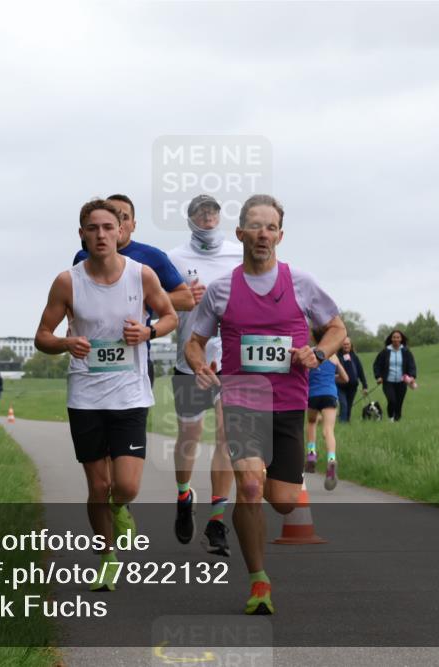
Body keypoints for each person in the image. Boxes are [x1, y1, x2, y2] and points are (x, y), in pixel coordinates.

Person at [186, 194, 345, 615]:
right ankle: (259, 581)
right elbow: (194, 342)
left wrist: (319, 353)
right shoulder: (221, 289)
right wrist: (200, 366)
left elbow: (335, 327)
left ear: (280, 235)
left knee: (284, 500)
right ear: (240, 234)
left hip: (290, 403)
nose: (263, 234)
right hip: (241, 400)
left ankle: (255, 512)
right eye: (255, 226)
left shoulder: (301, 283)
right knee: (251, 487)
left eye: (270, 227)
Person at [36, 198, 177, 591]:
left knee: (126, 487)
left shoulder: (142, 275)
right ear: (82, 234)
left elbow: (170, 316)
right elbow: (42, 337)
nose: (101, 235)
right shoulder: (68, 281)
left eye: (108, 227)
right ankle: (107, 558)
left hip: (130, 393)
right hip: (85, 396)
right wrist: (67, 343)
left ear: (121, 232)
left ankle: (121, 509)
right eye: (92, 228)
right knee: (97, 486)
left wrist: (148, 332)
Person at [166, 194, 243, 556]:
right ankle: (184, 495)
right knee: (190, 436)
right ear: (191, 219)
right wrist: (181, 299)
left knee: (227, 434)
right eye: (201, 212)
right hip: (189, 359)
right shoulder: (175, 258)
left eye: (213, 211)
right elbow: (159, 304)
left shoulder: (236, 254)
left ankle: (216, 520)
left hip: (229, 360)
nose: (208, 218)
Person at [73, 194, 193, 385]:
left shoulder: (152, 257)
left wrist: (144, 298)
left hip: (135, 359)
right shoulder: (82, 257)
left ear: (131, 225)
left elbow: (186, 299)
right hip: (91, 360)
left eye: (124, 217)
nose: (118, 222)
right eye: (113, 216)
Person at [305, 331, 349, 490]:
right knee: (328, 429)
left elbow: (304, 377)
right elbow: (346, 379)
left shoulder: (309, 353)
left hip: (313, 395)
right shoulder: (334, 356)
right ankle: (331, 459)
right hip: (330, 394)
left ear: (313, 338)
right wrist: (332, 378)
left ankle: (311, 453)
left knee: (311, 422)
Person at [373, 330, 417, 422]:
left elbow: (411, 365)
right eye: (394, 337)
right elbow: (377, 365)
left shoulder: (406, 351)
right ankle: (391, 418)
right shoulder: (385, 351)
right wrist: (378, 377)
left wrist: (412, 376)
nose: (396, 339)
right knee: (392, 400)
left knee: (399, 403)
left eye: (398, 337)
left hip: (402, 382)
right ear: (391, 339)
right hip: (388, 381)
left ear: (401, 339)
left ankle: (397, 420)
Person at [335, 337, 368, 423]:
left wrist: (365, 386)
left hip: (352, 387)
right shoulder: (336, 357)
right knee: (344, 405)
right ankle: (342, 423)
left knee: (349, 406)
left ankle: (347, 423)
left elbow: (360, 372)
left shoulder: (354, 357)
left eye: (347, 344)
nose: (346, 346)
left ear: (351, 345)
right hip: (340, 386)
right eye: (344, 344)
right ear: (340, 345)